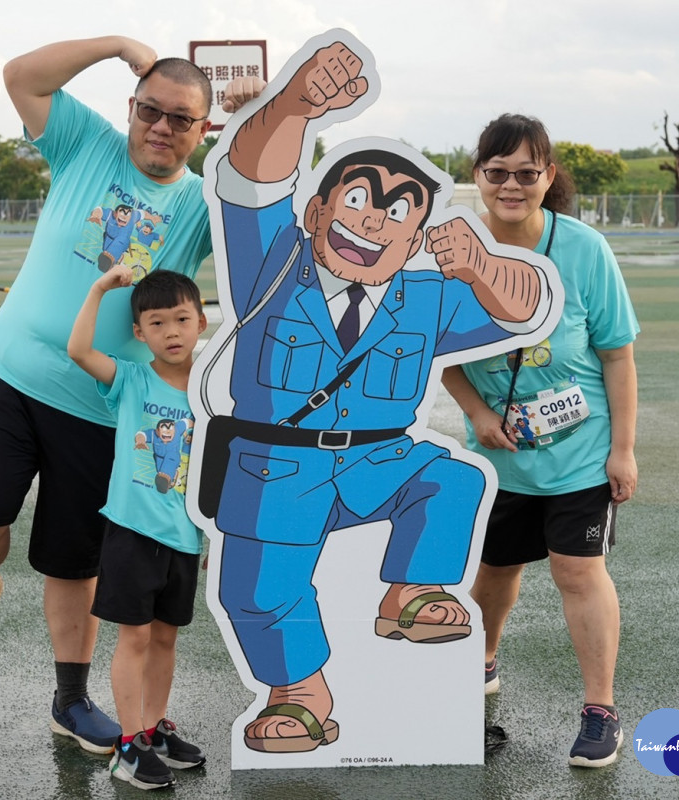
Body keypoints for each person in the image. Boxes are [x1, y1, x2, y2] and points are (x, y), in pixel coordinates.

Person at [204, 41, 560, 753]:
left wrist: (485, 265)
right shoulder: (273, 263)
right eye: (359, 199)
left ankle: (412, 593)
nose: (374, 220)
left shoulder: (424, 296)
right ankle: (300, 693)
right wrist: (296, 105)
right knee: (259, 593)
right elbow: (248, 176)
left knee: (450, 479)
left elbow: (530, 304)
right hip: (278, 467)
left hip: (379, 462)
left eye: (399, 212)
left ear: (415, 241)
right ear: (316, 212)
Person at [0, 36, 222, 756]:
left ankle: (70, 697)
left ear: (202, 130)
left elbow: (278, 226)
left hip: (102, 404)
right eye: (151, 110)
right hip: (11, 373)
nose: (162, 126)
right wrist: (118, 45)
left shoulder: (201, 204)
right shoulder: (87, 143)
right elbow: (18, 76)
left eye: (180, 118)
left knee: (74, 560)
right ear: (132, 109)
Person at [441, 113, 639, 768]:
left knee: (578, 571)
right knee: (495, 569)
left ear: (548, 176)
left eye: (527, 173)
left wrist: (623, 449)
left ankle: (600, 708)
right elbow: (443, 358)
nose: (511, 185)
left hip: (581, 454)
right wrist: (477, 413)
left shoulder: (584, 249)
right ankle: (483, 660)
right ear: (478, 176)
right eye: (497, 172)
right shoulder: (454, 253)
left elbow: (617, 354)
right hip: (499, 455)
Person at [67, 266, 207, 790]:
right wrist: (100, 289)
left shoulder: (216, 387)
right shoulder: (132, 379)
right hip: (133, 532)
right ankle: (128, 745)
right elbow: (79, 350)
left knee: (166, 639)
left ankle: (152, 729)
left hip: (186, 535)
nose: (172, 331)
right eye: (157, 322)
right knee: (136, 639)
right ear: (139, 333)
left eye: (182, 319)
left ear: (200, 322)